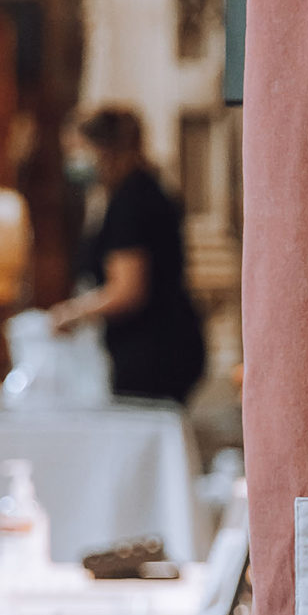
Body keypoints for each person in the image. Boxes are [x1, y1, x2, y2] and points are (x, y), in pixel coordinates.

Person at [51, 106, 206, 403]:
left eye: (76, 150)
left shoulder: (131, 201)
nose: (72, 162)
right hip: (162, 342)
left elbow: (128, 289)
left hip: (154, 350)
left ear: (103, 150)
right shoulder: (139, 189)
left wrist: (72, 313)